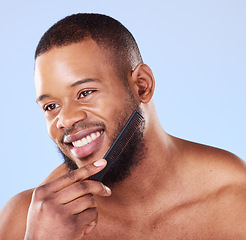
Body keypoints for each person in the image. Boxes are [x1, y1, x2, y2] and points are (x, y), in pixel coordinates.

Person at [0, 13, 246, 240]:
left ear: (142, 85)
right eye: (50, 106)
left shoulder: (237, 199)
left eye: (85, 92)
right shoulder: (24, 221)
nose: (65, 120)